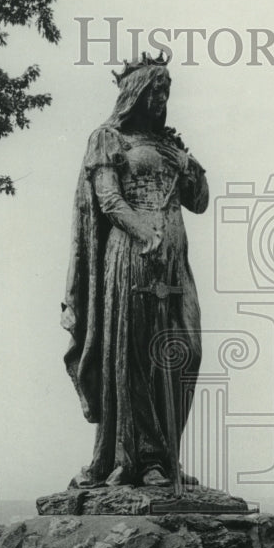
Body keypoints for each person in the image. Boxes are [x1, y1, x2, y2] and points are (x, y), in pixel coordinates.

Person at [62, 52, 208, 488]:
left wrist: (190, 164)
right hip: (131, 258)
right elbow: (108, 198)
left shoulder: (170, 146)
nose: (162, 99)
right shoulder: (108, 139)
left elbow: (198, 202)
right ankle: (142, 459)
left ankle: (167, 453)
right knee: (137, 355)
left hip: (173, 264)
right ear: (135, 93)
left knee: (186, 352)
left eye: (167, 91)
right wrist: (143, 230)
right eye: (155, 90)